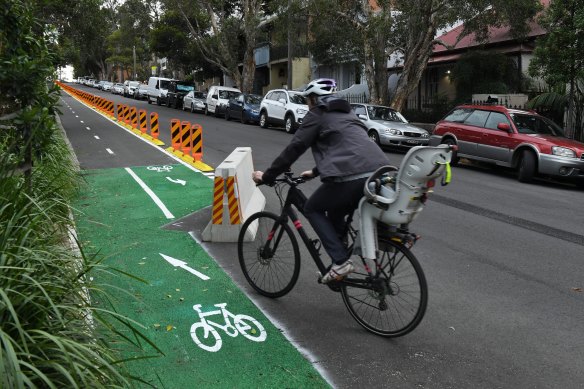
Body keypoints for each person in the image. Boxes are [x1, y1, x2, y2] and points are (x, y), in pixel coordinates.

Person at [252, 78, 389, 283]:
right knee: (335, 211)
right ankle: (339, 263)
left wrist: (268, 176)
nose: (308, 104)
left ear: (314, 99)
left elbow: (295, 147)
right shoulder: (348, 113)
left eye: (308, 100)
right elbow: (348, 147)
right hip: (377, 174)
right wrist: (315, 171)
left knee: (312, 208)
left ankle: (341, 261)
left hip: (350, 177)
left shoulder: (317, 113)